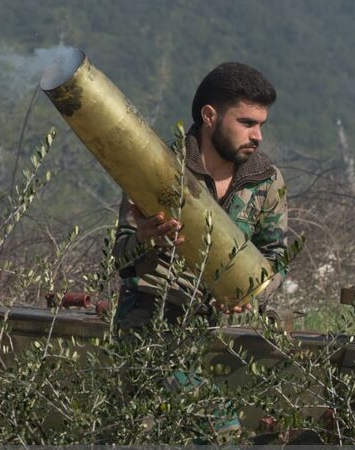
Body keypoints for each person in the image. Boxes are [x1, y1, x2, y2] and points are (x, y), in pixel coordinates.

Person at [111, 62, 290, 327]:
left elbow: (275, 256)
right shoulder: (159, 169)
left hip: (229, 334)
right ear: (209, 116)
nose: (257, 136)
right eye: (246, 123)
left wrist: (248, 295)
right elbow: (120, 259)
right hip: (153, 326)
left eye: (261, 124)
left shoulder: (266, 179)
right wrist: (143, 239)